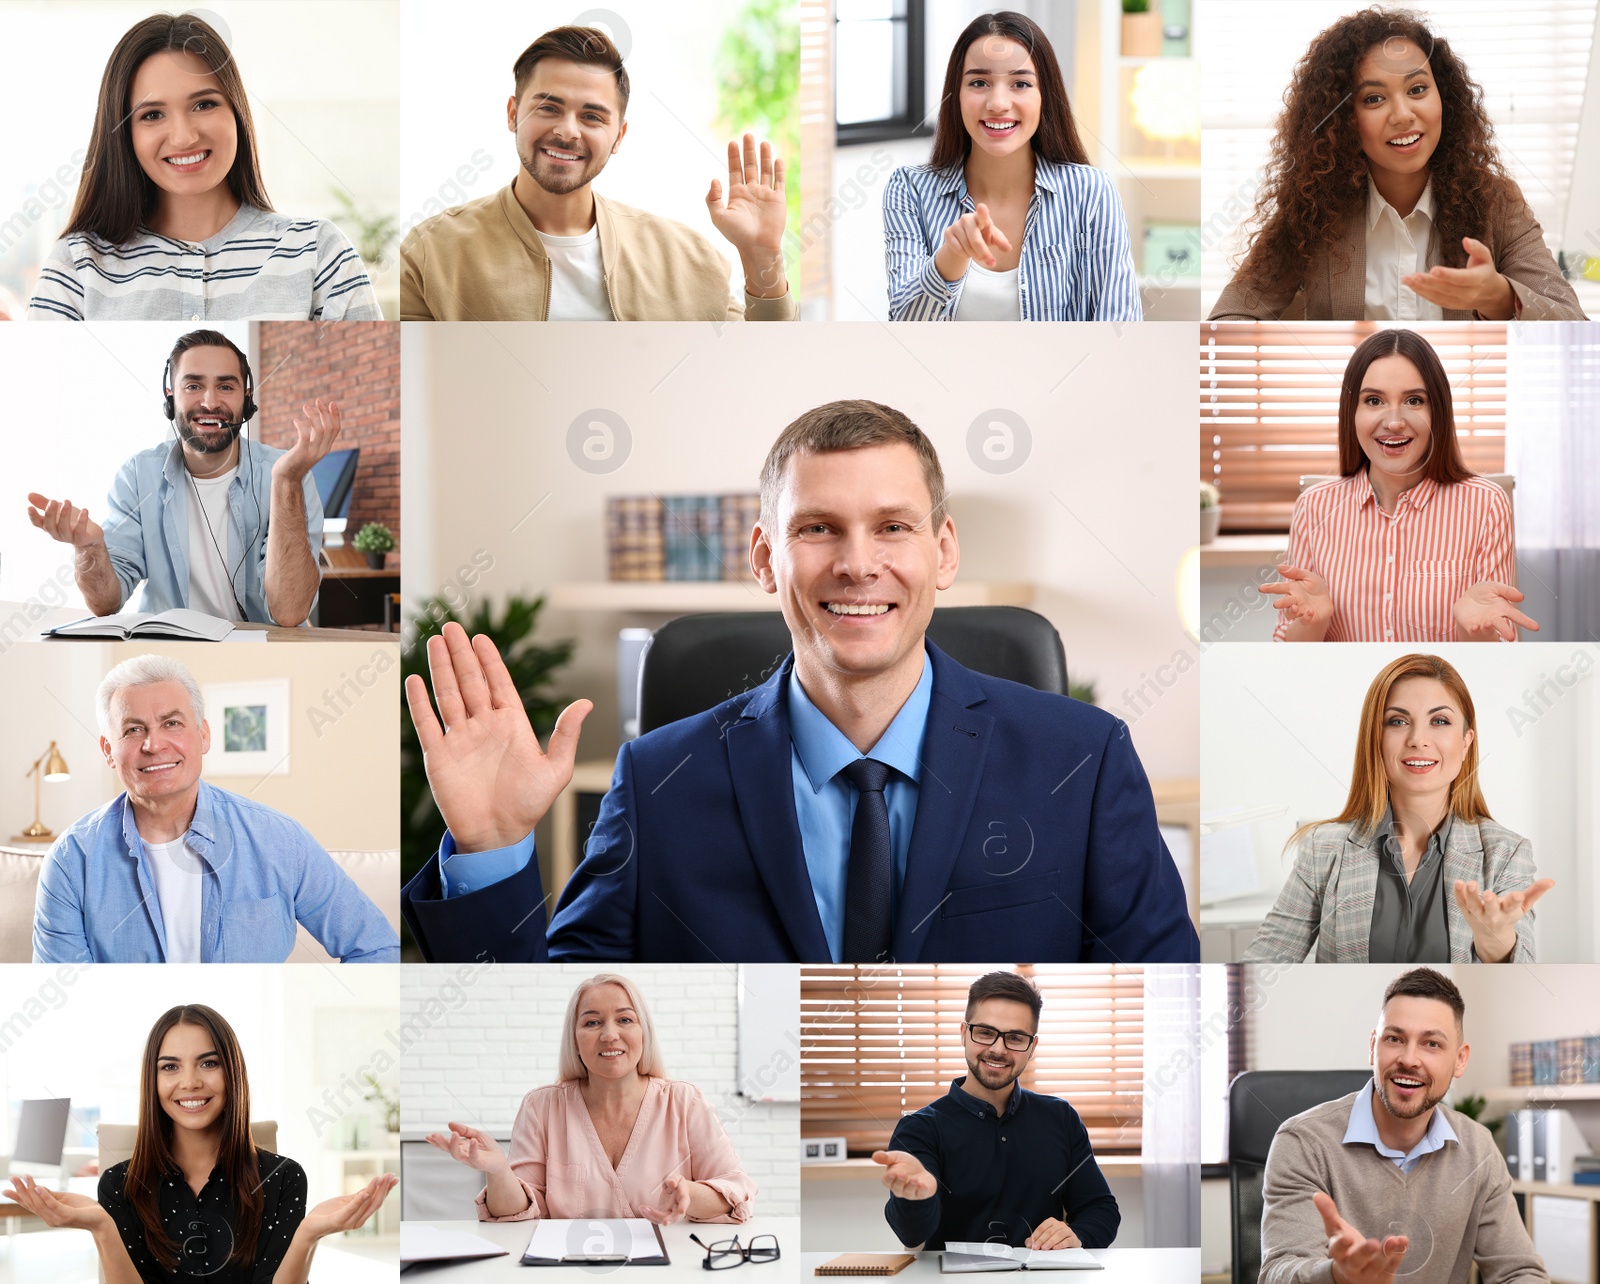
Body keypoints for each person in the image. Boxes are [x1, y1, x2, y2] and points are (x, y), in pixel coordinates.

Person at [401, 400, 1197, 964]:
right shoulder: (657, 782)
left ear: (944, 552)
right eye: (817, 529)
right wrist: (491, 851)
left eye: (893, 526)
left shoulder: (1082, 763)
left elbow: (1159, 997)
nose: (858, 562)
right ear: (762, 559)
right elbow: (565, 1026)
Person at [1211, 8, 1584, 322]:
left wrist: (1499, 297)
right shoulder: (1313, 207)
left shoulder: (1497, 202)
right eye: (1374, 99)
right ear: (1342, 119)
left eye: (1417, 89)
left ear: (1444, 98)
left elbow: (1572, 320)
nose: (1403, 115)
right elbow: (1229, 319)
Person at [400, 26, 795, 321]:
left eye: (591, 116)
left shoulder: (692, 260)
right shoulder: (432, 255)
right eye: (549, 107)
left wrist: (762, 257)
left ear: (618, 135)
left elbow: (759, 366)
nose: (567, 131)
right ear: (512, 114)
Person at [33, 654, 399, 963]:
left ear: (203, 735)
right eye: (133, 730)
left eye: (171, 723)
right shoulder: (70, 862)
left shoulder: (279, 840)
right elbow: (66, 998)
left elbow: (376, 948)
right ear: (108, 751)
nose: (153, 743)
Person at [2, 1004, 395, 1283]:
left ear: (232, 1073)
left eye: (208, 1063)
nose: (189, 1082)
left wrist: (308, 1235)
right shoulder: (118, 1186)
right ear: (152, 1082)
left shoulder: (283, 1177)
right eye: (170, 1066)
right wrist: (101, 1228)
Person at [29, 13, 378, 321]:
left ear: (237, 113)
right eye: (152, 115)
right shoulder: (76, 264)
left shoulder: (318, 251)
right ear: (123, 134)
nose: (183, 137)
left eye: (204, 104)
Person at [1244, 654, 1551, 964]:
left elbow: (1523, 978)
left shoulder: (1506, 852)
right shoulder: (1323, 848)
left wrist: (1495, 942)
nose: (1418, 740)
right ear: (1375, 739)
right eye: (1398, 721)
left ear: (1466, 743)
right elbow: (1261, 968)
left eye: (1440, 721)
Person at [26, 328, 334, 627]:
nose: (210, 402)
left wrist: (286, 482)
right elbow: (105, 603)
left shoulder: (288, 477)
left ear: (247, 398)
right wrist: (89, 549)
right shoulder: (137, 476)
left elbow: (290, 611)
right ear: (170, 396)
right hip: (168, 663)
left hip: (261, 662)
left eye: (226, 386)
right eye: (193, 386)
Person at [1259, 968, 1548, 1284]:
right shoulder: (1303, 1142)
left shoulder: (1478, 1147)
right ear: (1373, 1046)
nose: (1409, 1059)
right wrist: (1337, 1276)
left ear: (1460, 1060)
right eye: (1394, 1039)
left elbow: (1519, 1271)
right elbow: (1276, 1273)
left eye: (1432, 1044)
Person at [1259, 328, 1537, 642]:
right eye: (1374, 400)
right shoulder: (1314, 507)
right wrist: (1312, 622)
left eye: (1414, 400)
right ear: (1352, 412)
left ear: (1438, 413)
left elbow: (1497, 657)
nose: (1393, 422)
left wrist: (1473, 631)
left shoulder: (1486, 505)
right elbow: (1287, 658)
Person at [425, 973, 755, 1224]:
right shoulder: (541, 1107)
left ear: (644, 1032)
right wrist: (498, 1171)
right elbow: (518, 1215)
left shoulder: (685, 1102)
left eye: (625, 1019)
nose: (609, 1034)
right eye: (592, 1022)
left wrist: (690, 1195)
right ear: (575, 1038)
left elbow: (737, 1190)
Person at [882, 12, 1139, 322]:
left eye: (1020, 83)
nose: (998, 102)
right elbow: (904, 329)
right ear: (956, 95)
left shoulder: (1091, 191)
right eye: (979, 82)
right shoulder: (910, 190)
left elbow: (1120, 328)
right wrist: (949, 259)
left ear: (1045, 96)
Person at [873, 971, 1118, 1251]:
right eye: (986, 1033)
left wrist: (1079, 1235)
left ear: (1032, 1047)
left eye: (1014, 1038)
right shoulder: (920, 1128)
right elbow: (912, 1235)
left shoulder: (1060, 1117)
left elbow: (1100, 1209)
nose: (998, 1049)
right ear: (964, 1033)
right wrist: (916, 1198)